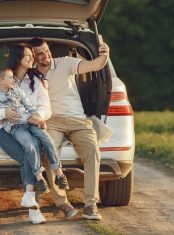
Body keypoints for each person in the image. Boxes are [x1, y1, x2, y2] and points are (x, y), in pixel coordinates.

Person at [29, 37, 110, 220]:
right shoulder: (30, 75)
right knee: (49, 154)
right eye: (40, 54)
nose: (46, 55)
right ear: (32, 56)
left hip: (78, 120)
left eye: (46, 50)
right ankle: (62, 203)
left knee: (92, 150)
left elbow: (95, 65)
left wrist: (105, 54)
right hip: (52, 122)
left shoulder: (65, 63)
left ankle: (90, 204)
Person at [0, 43, 73, 224]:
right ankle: (33, 209)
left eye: (32, 54)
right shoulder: (4, 79)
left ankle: (32, 204)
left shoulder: (37, 80)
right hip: (4, 128)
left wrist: (38, 116)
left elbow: (45, 106)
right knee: (28, 154)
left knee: (34, 150)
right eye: (28, 55)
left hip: (28, 126)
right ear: (18, 58)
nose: (32, 58)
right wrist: (4, 113)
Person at [0, 66, 69, 196]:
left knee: (46, 139)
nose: (12, 79)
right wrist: (4, 113)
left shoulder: (17, 90)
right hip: (16, 128)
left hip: (31, 122)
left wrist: (38, 118)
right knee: (29, 146)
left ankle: (59, 173)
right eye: (9, 77)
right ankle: (39, 177)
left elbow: (30, 106)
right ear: (0, 81)